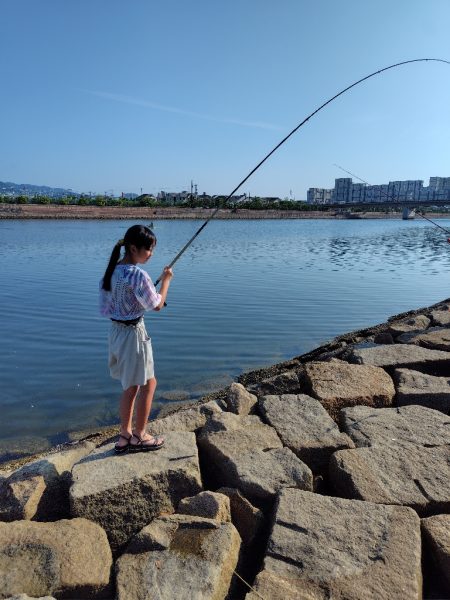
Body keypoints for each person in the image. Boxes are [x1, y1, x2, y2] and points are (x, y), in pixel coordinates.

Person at [99, 224, 173, 453]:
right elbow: (157, 305)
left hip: (116, 333)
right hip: (133, 336)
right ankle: (139, 435)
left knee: (131, 386)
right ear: (133, 248)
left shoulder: (113, 271)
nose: (151, 254)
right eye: (148, 249)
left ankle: (125, 434)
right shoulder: (138, 274)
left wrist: (150, 286)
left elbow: (109, 307)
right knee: (147, 384)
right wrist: (167, 280)